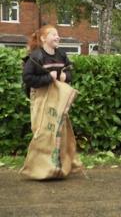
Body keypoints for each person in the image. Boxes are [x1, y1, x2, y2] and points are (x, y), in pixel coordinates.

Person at [20, 24, 82, 180]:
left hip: (58, 99)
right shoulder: (35, 56)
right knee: (43, 132)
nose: (57, 37)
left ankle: (58, 169)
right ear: (43, 38)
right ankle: (40, 170)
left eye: (58, 34)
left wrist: (65, 77)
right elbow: (28, 79)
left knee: (59, 132)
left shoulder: (61, 54)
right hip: (41, 99)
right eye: (53, 34)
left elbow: (69, 73)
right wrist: (49, 78)